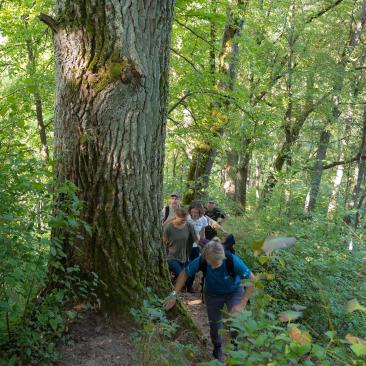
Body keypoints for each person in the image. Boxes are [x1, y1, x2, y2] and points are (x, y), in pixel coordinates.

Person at [164, 239, 255, 362]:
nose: (212, 266)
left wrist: (242, 303)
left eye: (216, 263)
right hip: (212, 294)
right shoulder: (201, 260)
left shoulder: (232, 261)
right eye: (210, 263)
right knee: (215, 324)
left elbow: (252, 280)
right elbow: (184, 273)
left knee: (236, 320)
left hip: (234, 291)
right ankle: (217, 347)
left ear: (222, 257)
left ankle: (235, 344)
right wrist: (174, 294)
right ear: (205, 257)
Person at [163, 207, 198, 282]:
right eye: (182, 220)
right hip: (171, 257)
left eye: (185, 220)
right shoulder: (169, 228)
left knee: (185, 277)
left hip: (184, 257)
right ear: (176, 216)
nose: (184, 221)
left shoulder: (189, 226)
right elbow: (164, 243)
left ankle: (174, 288)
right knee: (181, 275)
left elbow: (196, 239)